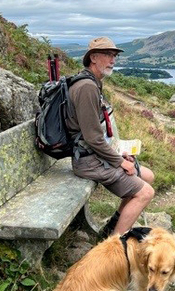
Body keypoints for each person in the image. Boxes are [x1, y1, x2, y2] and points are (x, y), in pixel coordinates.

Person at [66, 37, 155, 237]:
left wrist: (119, 154)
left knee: (147, 176)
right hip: (88, 161)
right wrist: (119, 161)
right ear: (93, 58)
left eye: (114, 55)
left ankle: (111, 228)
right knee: (146, 192)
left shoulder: (92, 82)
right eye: (108, 55)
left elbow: (95, 136)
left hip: (94, 156)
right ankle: (114, 245)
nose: (113, 59)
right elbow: (93, 138)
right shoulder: (87, 88)